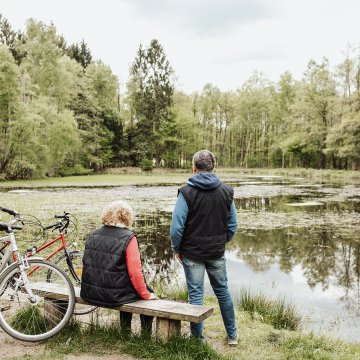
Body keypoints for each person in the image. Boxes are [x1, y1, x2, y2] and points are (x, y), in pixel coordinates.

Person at [170, 149, 238, 346]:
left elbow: (177, 227)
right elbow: (233, 225)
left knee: (196, 294)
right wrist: (221, 240)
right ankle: (232, 337)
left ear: (194, 168)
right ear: (213, 167)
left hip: (192, 253)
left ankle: (197, 340)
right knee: (223, 291)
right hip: (216, 252)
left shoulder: (186, 192)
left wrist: (177, 248)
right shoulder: (226, 191)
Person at [81, 200, 157, 335]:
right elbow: (135, 272)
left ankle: (125, 333)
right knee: (145, 291)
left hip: (90, 291)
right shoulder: (129, 237)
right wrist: (146, 294)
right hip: (113, 296)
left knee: (126, 288)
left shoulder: (93, 234)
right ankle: (144, 336)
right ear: (127, 217)